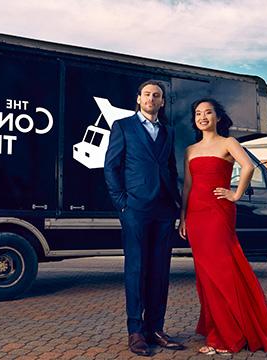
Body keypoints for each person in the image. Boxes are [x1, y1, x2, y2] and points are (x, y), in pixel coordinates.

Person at [178, 98, 267, 355]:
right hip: (196, 214)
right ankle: (218, 329)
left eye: (208, 112)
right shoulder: (190, 150)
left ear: (218, 117)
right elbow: (187, 186)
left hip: (218, 212)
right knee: (205, 276)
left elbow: (247, 166)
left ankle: (229, 335)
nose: (203, 117)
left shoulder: (228, 143)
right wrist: (183, 215)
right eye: (198, 113)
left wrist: (236, 194)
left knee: (222, 271)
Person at [104, 80, 184, 356]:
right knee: (137, 269)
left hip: (163, 210)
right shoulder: (123, 127)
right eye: (147, 94)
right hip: (135, 209)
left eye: (157, 95)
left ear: (162, 102)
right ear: (138, 99)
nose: (152, 98)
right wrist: (122, 204)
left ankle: (156, 328)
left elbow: (171, 169)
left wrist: (176, 203)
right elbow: (111, 167)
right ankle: (136, 331)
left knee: (160, 271)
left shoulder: (168, 132)